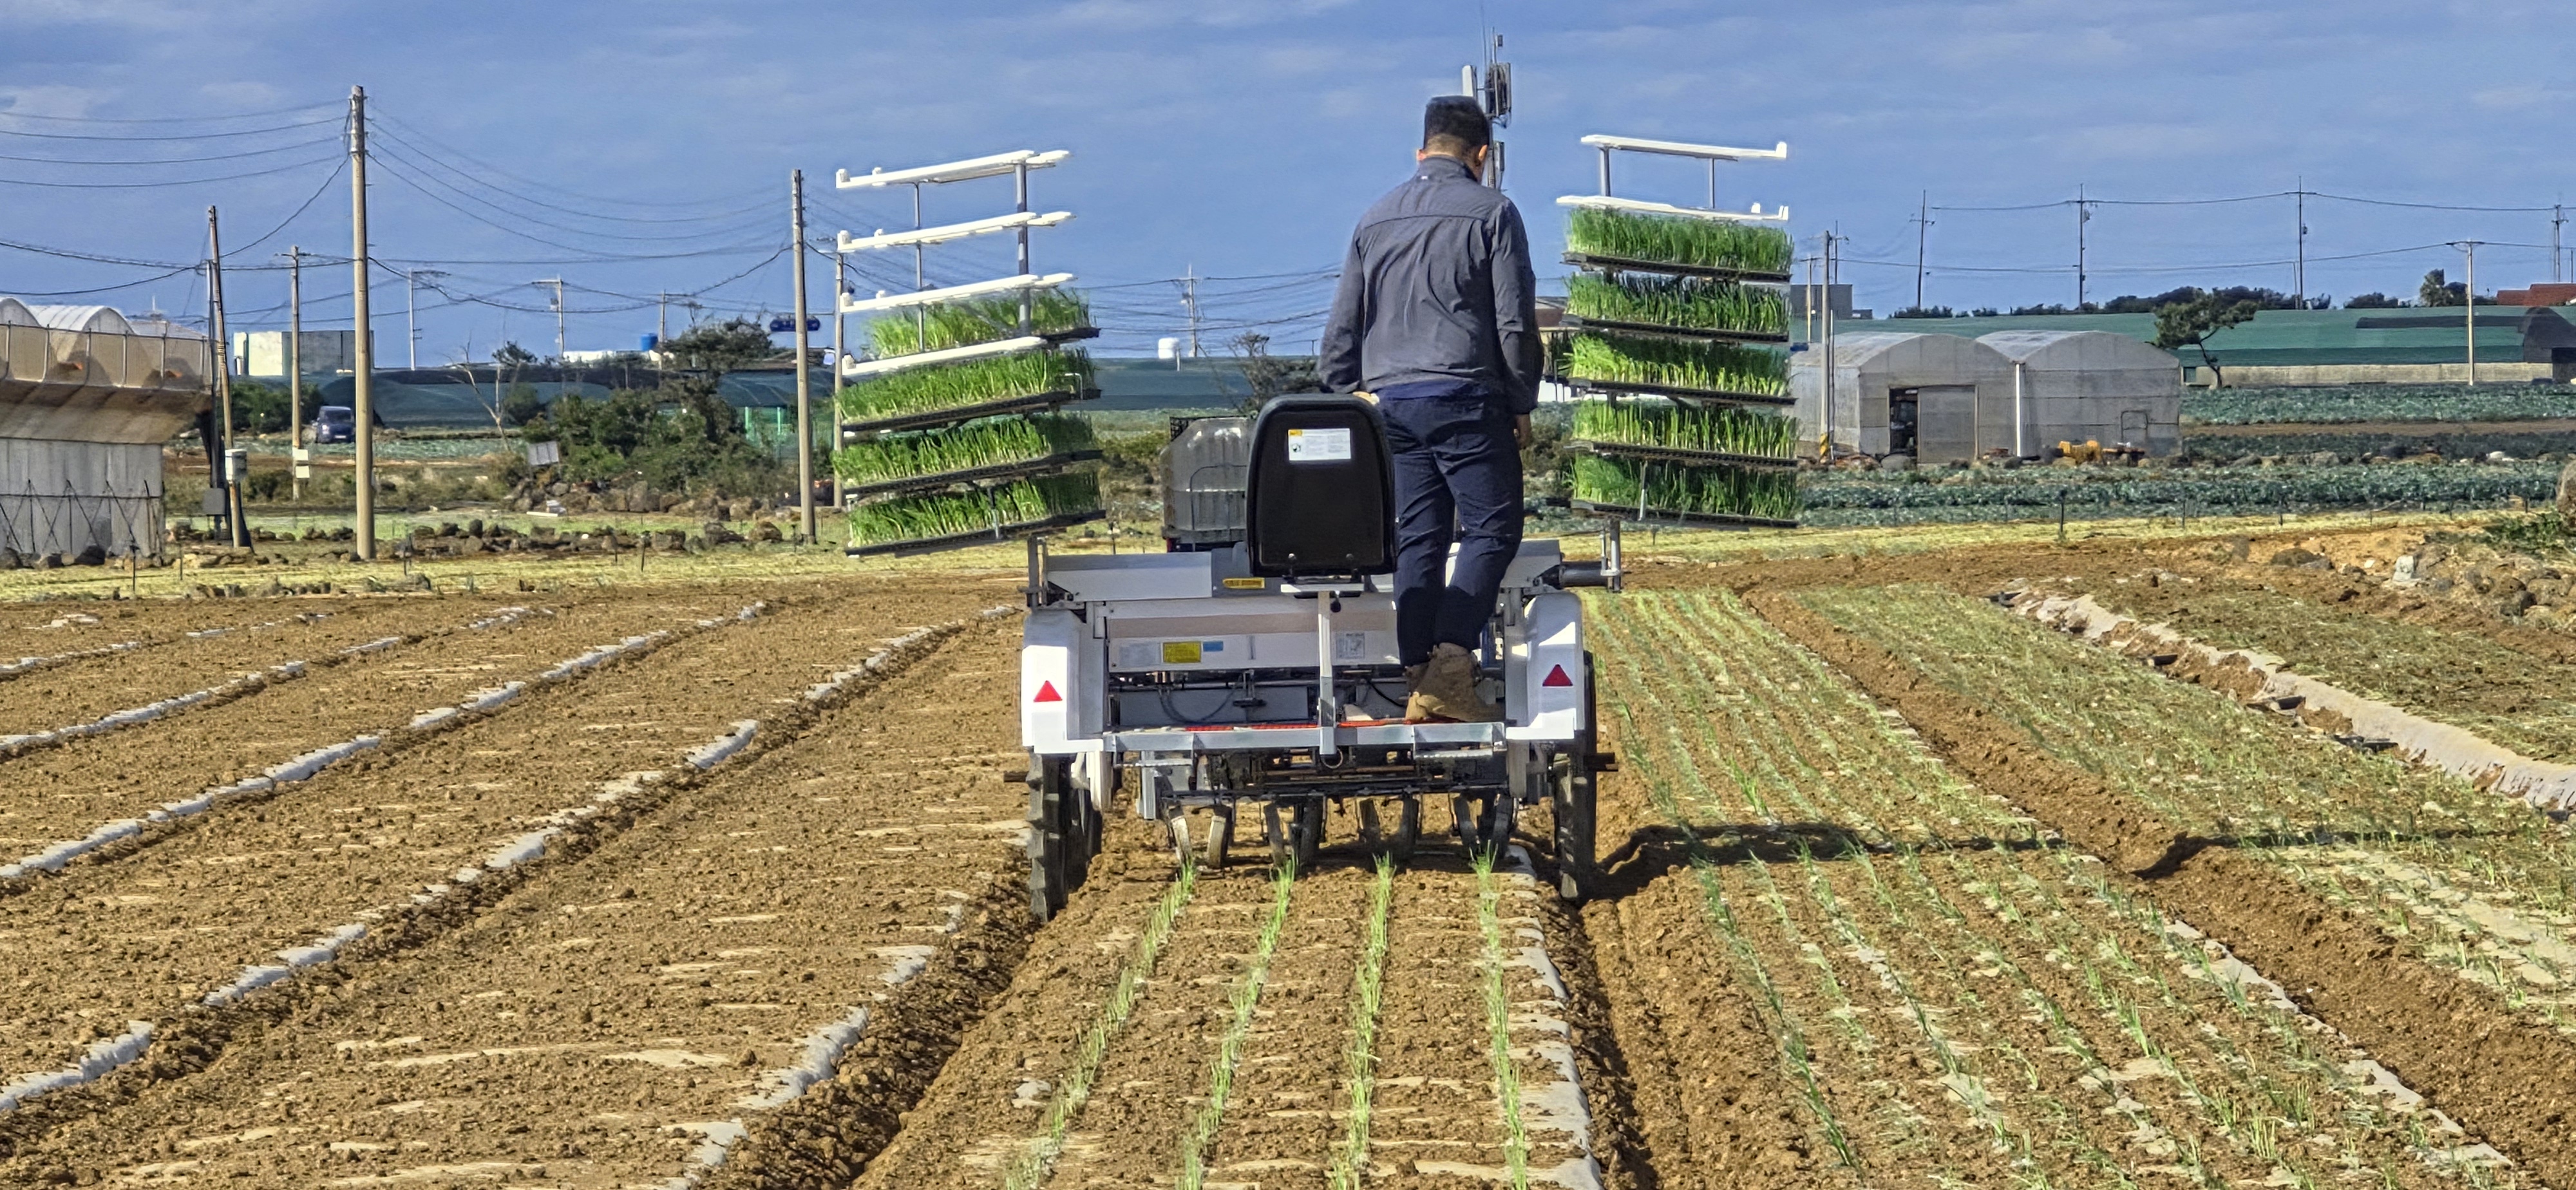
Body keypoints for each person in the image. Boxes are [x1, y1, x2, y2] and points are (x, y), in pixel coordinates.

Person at [1319, 95, 1539, 724]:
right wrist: (1520, 396)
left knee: (1420, 536)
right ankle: (1448, 667)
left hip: (1392, 403)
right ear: (1481, 156)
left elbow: (1343, 324)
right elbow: (1513, 320)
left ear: (1420, 151)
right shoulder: (1493, 213)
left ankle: (1419, 672)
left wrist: (1345, 389)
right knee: (1493, 529)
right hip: (1466, 397)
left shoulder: (1375, 217)